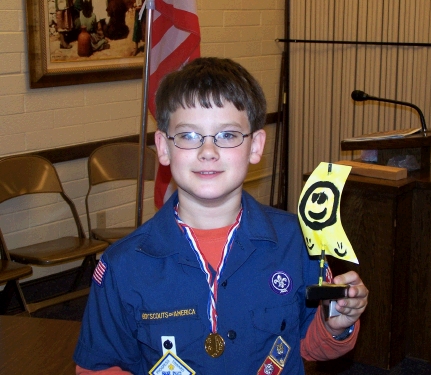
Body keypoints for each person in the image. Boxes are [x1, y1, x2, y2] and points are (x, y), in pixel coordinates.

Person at [73, 57, 368, 375]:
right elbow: (99, 367)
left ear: (255, 146)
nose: (208, 151)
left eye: (227, 135)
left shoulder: (297, 241)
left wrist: (337, 324)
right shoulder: (124, 265)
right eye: (188, 136)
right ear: (163, 147)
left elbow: (312, 347)